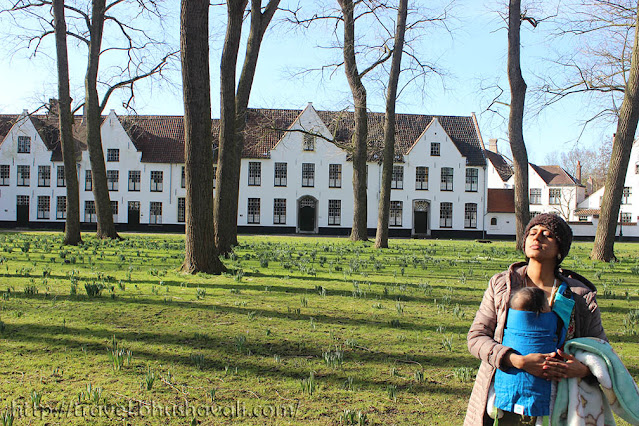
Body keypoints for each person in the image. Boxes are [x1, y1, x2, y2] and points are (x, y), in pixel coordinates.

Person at [465, 213, 607, 426]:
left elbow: (602, 350)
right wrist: (517, 360)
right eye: (532, 233)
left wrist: (583, 370)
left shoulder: (580, 296)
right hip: (505, 398)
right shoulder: (502, 285)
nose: (537, 237)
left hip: (561, 404)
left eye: (547, 235)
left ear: (560, 249)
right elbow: (476, 338)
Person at [492, 287, 560, 422]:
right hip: (541, 388)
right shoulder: (549, 323)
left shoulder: (508, 322)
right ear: (541, 310)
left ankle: (494, 404)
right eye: (547, 305)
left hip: (507, 383)